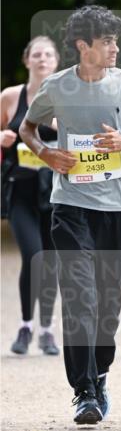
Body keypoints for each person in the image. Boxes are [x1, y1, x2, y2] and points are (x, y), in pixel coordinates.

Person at [19, 5, 121, 425]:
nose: (116, 48)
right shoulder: (57, 86)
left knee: (108, 302)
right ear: (84, 46)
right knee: (80, 297)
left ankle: (99, 373)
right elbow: (29, 128)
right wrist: (46, 153)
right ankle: (83, 392)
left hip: (117, 207)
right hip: (70, 205)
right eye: (107, 42)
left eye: (117, 40)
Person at [1, 36, 60, 355]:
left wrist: (58, 125)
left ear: (56, 62)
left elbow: (82, 140)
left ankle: (47, 330)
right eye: (36, 54)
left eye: (48, 54)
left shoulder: (65, 96)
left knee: (49, 262)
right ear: (27, 61)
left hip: (55, 192)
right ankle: (26, 326)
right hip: (20, 189)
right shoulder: (10, 96)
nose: (42, 59)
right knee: (33, 257)